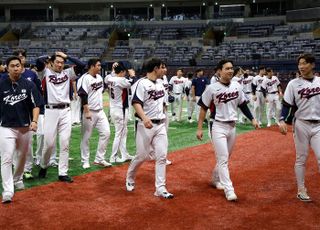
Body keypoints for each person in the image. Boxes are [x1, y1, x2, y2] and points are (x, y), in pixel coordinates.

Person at [196, 59, 259, 201]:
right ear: (219, 71)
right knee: (223, 158)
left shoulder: (236, 85)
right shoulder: (212, 88)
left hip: (232, 126)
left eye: (231, 68)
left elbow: (242, 104)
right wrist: (199, 128)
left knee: (225, 157)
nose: (230, 70)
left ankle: (215, 178)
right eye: (227, 68)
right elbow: (203, 108)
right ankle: (229, 189)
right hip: (217, 125)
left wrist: (252, 119)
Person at [126, 57, 174, 199]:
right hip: (144, 125)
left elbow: (162, 102)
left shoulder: (160, 83)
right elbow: (135, 102)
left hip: (160, 125)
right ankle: (129, 178)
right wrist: (144, 117)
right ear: (155, 69)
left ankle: (160, 188)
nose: (164, 70)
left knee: (161, 156)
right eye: (162, 67)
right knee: (142, 156)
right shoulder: (141, 83)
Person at [37, 51, 85, 183]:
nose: (60, 64)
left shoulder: (67, 73)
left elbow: (82, 65)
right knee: (49, 144)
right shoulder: (45, 73)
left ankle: (63, 172)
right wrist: (52, 55)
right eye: (57, 62)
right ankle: (44, 165)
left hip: (65, 110)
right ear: (51, 63)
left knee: (65, 143)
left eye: (62, 63)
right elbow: (38, 61)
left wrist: (67, 56)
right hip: (51, 111)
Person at [0, 56, 42, 203]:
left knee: (22, 156)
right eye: (12, 66)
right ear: (7, 68)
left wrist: (35, 121)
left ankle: (17, 179)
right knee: (6, 158)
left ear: (21, 67)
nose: (16, 68)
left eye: (18, 65)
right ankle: (8, 190)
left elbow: (36, 105)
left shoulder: (28, 84)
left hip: (24, 127)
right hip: (6, 127)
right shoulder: (1, 83)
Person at [279, 53, 320, 202]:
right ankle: (301, 189)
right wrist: (282, 119)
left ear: (312, 65)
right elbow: (286, 105)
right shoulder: (293, 84)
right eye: (299, 64)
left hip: (318, 125)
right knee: (301, 158)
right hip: (301, 124)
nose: (301, 66)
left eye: (304, 63)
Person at [77, 58, 112, 169]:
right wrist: (86, 111)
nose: (100, 67)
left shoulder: (100, 77)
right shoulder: (84, 78)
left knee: (106, 133)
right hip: (89, 111)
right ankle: (85, 160)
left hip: (100, 111)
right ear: (92, 66)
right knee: (86, 137)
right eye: (98, 65)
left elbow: (100, 91)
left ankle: (99, 159)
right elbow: (83, 95)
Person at [105, 62, 134, 163]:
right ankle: (113, 157)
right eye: (124, 72)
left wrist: (114, 69)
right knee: (119, 133)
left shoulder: (109, 78)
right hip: (120, 109)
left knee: (123, 132)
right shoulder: (121, 80)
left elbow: (109, 77)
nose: (125, 74)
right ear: (121, 72)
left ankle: (124, 154)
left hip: (114, 108)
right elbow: (132, 82)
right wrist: (133, 75)